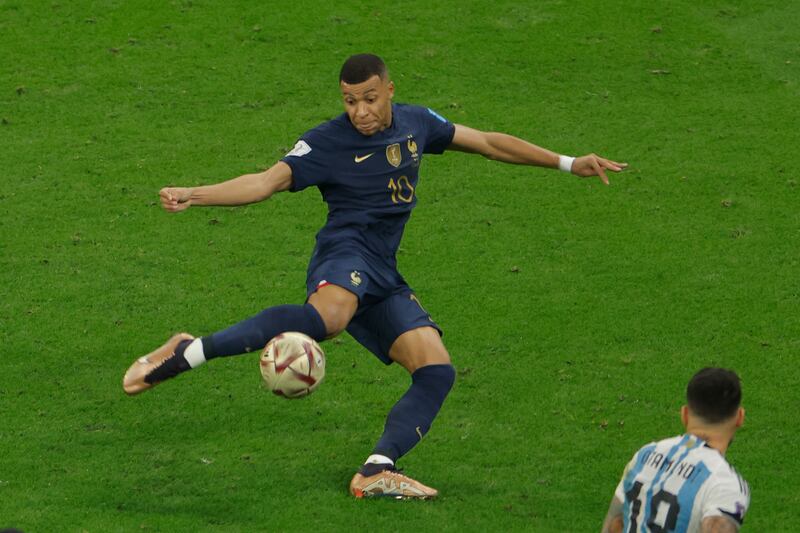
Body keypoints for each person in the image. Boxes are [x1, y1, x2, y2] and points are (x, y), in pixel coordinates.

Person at [123, 53, 626, 499]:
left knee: (436, 369)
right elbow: (262, 184)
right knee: (332, 318)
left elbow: (491, 143)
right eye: (349, 101)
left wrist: (567, 162)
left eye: (368, 99)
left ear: (388, 89)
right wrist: (194, 193)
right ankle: (186, 352)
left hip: (383, 270)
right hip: (344, 253)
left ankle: (377, 469)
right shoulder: (326, 141)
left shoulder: (416, 123)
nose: (359, 111)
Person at [601, 368, 750, 532]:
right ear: (740, 417)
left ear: (684, 415)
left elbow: (612, 525)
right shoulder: (724, 483)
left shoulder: (644, 456)